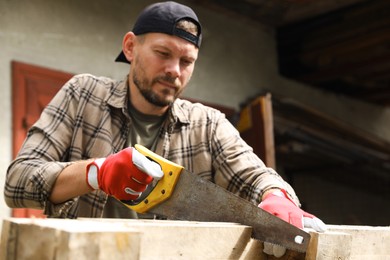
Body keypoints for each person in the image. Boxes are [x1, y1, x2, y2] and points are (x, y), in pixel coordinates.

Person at [5, 1, 325, 256]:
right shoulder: (82, 95)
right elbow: (17, 182)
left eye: (186, 62)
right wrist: (95, 173)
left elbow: (256, 176)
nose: (174, 70)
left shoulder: (208, 124)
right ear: (130, 48)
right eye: (163, 54)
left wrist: (278, 196)